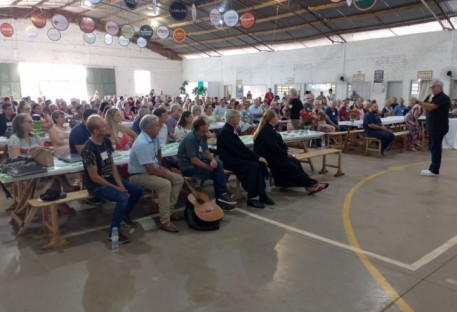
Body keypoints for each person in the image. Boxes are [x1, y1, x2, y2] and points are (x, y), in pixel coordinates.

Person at [82, 115, 143, 243]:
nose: (107, 127)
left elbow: (112, 165)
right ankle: (114, 232)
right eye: (103, 126)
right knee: (123, 197)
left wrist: (120, 184)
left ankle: (124, 214)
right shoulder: (88, 149)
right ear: (95, 131)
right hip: (96, 185)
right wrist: (116, 188)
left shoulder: (106, 141)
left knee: (137, 190)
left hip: (110, 180)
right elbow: (95, 177)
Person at [128, 115, 184, 233]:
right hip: (138, 175)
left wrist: (162, 167)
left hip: (151, 169)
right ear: (148, 128)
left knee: (178, 179)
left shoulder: (154, 137)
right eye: (157, 125)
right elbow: (150, 170)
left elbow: (158, 151)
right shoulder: (142, 143)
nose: (160, 127)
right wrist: (165, 174)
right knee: (165, 184)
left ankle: (169, 211)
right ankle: (165, 221)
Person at [253, 110, 329, 194]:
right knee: (292, 167)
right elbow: (273, 148)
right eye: (276, 116)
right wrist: (285, 153)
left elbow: (280, 143)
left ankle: (309, 186)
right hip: (270, 158)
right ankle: (313, 183)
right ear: (271, 118)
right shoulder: (266, 131)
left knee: (295, 162)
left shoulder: (270, 128)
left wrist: (286, 151)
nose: (278, 117)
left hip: (276, 155)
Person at [217, 109, 274, 209]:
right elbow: (239, 150)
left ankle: (262, 194)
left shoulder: (231, 129)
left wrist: (257, 158)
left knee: (261, 164)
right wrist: (257, 157)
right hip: (230, 160)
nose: (240, 118)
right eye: (238, 117)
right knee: (253, 166)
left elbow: (240, 149)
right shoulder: (226, 132)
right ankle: (252, 198)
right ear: (231, 119)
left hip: (236, 157)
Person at [177, 116, 237, 210]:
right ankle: (222, 196)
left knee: (218, 163)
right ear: (201, 127)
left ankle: (222, 196)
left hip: (197, 160)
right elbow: (193, 160)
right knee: (216, 172)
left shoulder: (203, 135)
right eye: (207, 124)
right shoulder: (190, 138)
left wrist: (213, 160)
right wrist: (208, 167)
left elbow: (206, 152)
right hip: (187, 167)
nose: (209, 125)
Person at [418, 79, 450, 176]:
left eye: (433, 87)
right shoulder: (433, 96)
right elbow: (426, 106)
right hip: (433, 126)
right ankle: (433, 168)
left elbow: (431, 107)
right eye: (431, 87)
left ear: (439, 87)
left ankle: (434, 170)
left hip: (438, 126)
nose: (431, 89)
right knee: (433, 147)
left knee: (435, 148)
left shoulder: (443, 97)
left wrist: (418, 102)